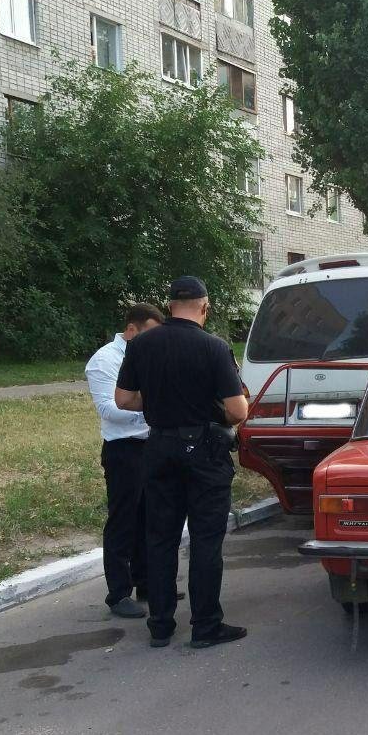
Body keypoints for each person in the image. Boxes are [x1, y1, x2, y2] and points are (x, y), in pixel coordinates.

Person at [114, 276, 249, 649]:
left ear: (170, 306)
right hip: (204, 452)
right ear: (205, 307)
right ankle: (206, 625)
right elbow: (238, 410)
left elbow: (124, 399)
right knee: (206, 540)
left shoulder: (141, 345)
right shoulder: (213, 347)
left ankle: (160, 626)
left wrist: (160, 401)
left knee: (160, 538)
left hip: (158, 448)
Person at [85, 304, 165, 618]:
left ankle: (146, 583)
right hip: (124, 449)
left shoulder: (148, 354)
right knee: (123, 520)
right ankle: (118, 593)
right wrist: (154, 406)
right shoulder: (105, 360)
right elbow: (109, 409)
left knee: (150, 517)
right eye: (149, 334)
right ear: (131, 329)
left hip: (151, 444)